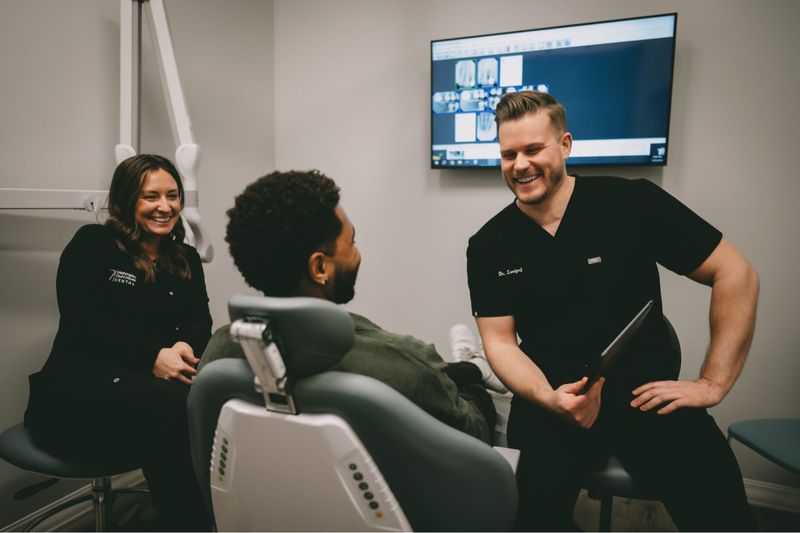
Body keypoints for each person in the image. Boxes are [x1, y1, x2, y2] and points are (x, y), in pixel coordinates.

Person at [466, 91, 759, 531]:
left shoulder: (631, 203)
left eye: (533, 149)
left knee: (722, 513)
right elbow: (499, 342)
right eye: (508, 155)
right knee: (531, 520)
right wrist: (549, 398)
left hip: (645, 395)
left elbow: (736, 274)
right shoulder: (489, 244)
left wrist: (712, 383)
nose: (520, 165)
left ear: (564, 145)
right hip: (553, 401)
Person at [199, 169, 498, 444]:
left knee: (445, 374)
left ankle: (470, 366)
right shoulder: (401, 361)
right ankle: (477, 373)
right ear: (319, 267)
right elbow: (474, 432)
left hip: (270, 501)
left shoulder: (219, 352)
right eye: (352, 242)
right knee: (466, 390)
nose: (358, 253)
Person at [24, 154, 212, 531]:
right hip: (76, 394)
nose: (165, 206)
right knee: (177, 408)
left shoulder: (185, 257)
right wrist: (151, 356)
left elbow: (199, 320)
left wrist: (183, 348)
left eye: (172, 196)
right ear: (128, 201)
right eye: (151, 197)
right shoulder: (94, 244)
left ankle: (195, 518)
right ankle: (188, 522)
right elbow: (82, 323)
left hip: (148, 393)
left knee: (206, 398)